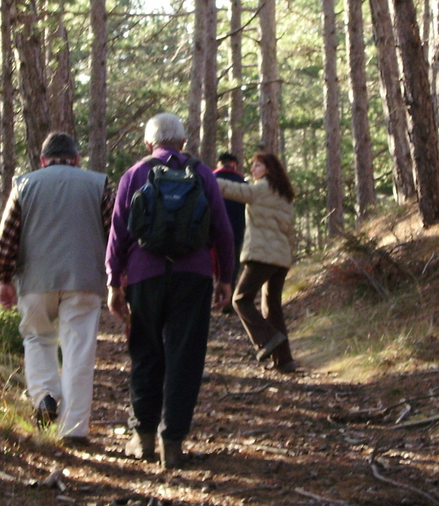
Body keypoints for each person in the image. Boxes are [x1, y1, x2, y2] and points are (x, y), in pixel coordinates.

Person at [106, 112, 235, 468]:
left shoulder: (135, 173)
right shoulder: (203, 174)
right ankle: (173, 443)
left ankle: (143, 438)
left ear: (149, 143)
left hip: (144, 274)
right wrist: (225, 277)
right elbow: (222, 230)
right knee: (185, 357)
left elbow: (118, 231)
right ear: (183, 142)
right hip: (193, 276)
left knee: (146, 352)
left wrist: (114, 281)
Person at [0, 132, 114, 442]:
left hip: (35, 281)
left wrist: (4, 278)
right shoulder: (98, 184)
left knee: (37, 338)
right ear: (76, 159)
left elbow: (7, 237)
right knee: (78, 352)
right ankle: (74, 429)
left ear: (42, 160)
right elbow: (114, 234)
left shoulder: (24, 184)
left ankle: (45, 395)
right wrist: (118, 278)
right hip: (84, 280)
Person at [216, 152, 297, 373]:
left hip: (263, 255)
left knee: (240, 299)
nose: (253, 170)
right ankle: (284, 361)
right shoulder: (284, 193)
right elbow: (290, 230)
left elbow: (238, 191)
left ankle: (267, 339)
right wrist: (288, 255)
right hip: (280, 258)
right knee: (272, 308)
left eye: (258, 166)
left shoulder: (262, 187)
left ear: (268, 169)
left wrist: (210, 180)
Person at [213, 152, 247, 304]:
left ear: (219, 163)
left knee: (209, 262)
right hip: (236, 229)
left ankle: (209, 300)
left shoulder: (210, 179)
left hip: (212, 230)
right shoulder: (242, 182)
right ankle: (228, 301)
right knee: (232, 265)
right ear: (234, 164)